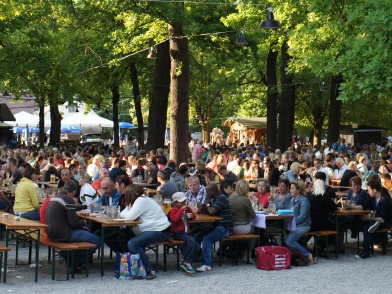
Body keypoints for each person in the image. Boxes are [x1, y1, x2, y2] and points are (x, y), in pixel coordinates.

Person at [45, 180, 100, 272]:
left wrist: (85, 206)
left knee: (86, 233)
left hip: (51, 232)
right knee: (97, 240)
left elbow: (71, 210)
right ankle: (75, 259)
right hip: (64, 233)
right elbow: (73, 223)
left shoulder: (56, 198)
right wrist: (84, 222)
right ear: (74, 191)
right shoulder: (68, 199)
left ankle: (72, 257)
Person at [119, 184, 171, 279]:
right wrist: (129, 213)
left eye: (127, 195)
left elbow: (129, 217)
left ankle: (149, 270)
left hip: (160, 230)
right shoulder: (135, 201)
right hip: (151, 229)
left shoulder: (141, 200)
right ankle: (134, 265)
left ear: (133, 194)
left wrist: (129, 214)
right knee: (122, 237)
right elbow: (122, 213)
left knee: (133, 243)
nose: (126, 197)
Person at [351, 179, 392, 259]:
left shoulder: (385, 200)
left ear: (374, 190)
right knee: (365, 225)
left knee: (368, 227)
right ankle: (366, 250)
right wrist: (352, 207)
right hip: (377, 219)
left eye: (369, 190)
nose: (367, 192)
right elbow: (363, 206)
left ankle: (366, 252)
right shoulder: (372, 198)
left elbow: (383, 219)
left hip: (386, 221)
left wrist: (369, 218)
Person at [196, 183, 233, 272]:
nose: (206, 194)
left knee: (207, 238)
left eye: (207, 192)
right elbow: (208, 213)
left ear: (213, 191)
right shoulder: (213, 198)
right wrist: (203, 207)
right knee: (196, 235)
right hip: (216, 225)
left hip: (225, 227)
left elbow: (212, 212)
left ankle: (207, 264)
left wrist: (207, 204)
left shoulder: (221, 198)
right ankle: (193, 257)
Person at [285, 180, 317, 265]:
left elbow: (302, 217)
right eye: (290, 188)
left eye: (292, 188)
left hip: (303, 225)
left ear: (298, 190)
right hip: (293, 224)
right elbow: (288, 211)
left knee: (289, 241)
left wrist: (292, 223)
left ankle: (307, 254)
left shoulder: (304, 201)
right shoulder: (292, 199)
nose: (290, 190)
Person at [307, 179, 343, 253]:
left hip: (310, 222)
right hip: (321, 222)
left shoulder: (309, 195)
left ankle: (319, 245)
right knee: (336, 226)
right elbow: (333, 207)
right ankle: (324, 245)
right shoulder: (323, 195)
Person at [169, 192, 200, 274]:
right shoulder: (173, 210)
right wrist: (181, 210)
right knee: (191, 241)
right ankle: (187, 262)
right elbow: (174, 219)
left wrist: (190, 214)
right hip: (178, 232)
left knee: (196, 246)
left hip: (186, 232)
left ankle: (187, 261)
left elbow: (194, 216)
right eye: (181, 202)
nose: (184, 203)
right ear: (175, 203)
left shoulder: (186, 208)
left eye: (184, 201)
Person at [228, 180, 256, 263]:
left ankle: (239, 252)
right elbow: (253, 216)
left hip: (230, 226)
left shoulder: (230, 197)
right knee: (255, 231)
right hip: (240, 227)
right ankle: (247, 254)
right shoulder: (245, 199)